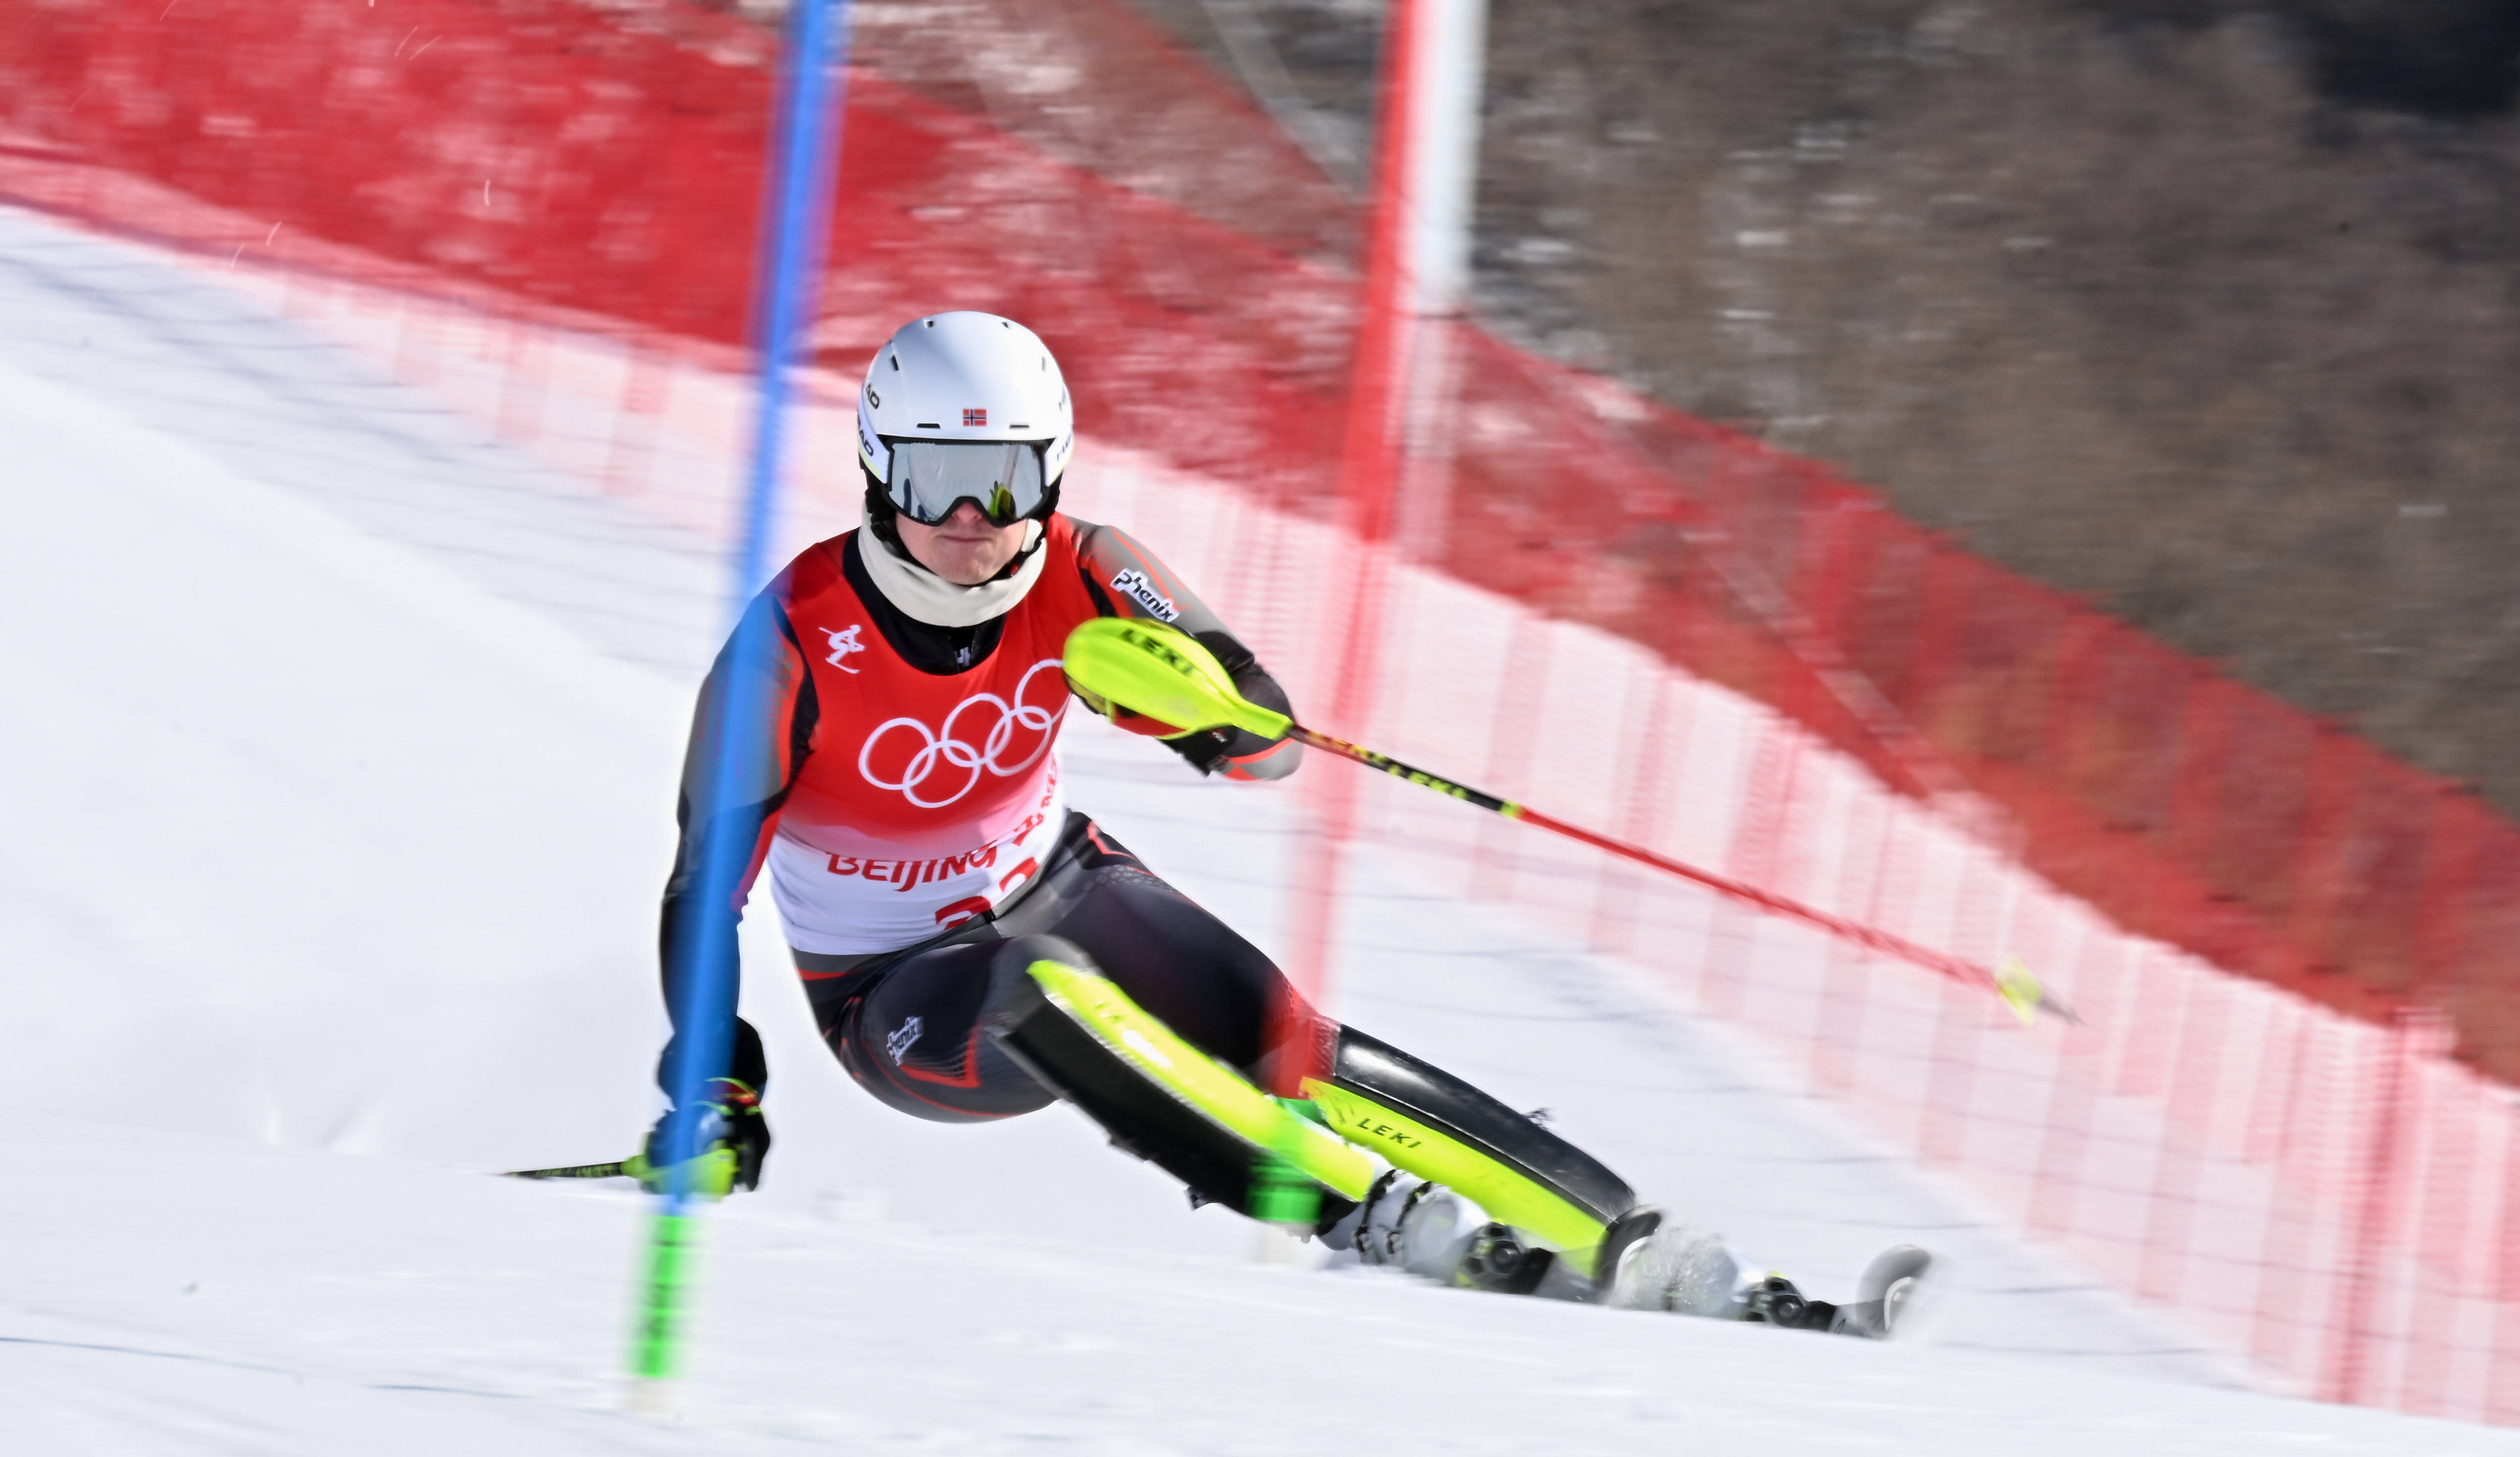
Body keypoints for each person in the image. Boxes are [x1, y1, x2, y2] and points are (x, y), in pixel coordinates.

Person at [641, 309, 1905, 1333]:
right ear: (876, 466)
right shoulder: (794, 640)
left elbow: (1264, 739)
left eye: (1003, 482)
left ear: (1050, 474)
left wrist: (1205, 707)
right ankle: (1366, 1215)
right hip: (893, 990)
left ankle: (1635, 1240)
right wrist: (718, 1079)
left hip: (1055, 878)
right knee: (1046, 988)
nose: (969, 524)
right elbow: (705, 884)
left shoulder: (1090, 563)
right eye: (934, 479)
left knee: (1276, 1032)